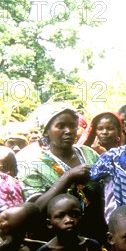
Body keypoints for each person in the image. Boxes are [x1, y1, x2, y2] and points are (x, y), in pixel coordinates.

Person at [16, 101, 106, 243]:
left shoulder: (88, 154)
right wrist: (68, 176)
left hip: (97, 235)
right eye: (61, 126)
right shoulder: (35, 165)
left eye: (72, 126)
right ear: (46, 131)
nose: (68, 131)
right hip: (58, 242)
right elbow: (36, 209)